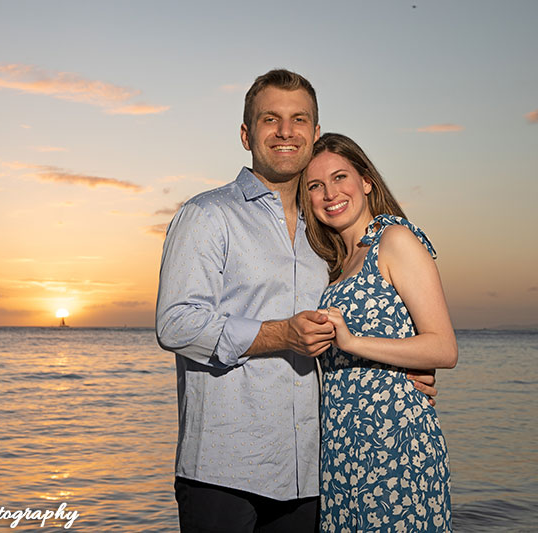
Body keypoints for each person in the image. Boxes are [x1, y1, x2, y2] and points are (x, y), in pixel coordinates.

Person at [156, 70, 438, 532]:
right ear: (247, 134)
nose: (286, 131)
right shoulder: (207, 215)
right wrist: (278, 334)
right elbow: (176, 324)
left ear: (315, 134)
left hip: (312, 475)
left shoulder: (326, 236)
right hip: (224, 471)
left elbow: (363, 322)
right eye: (271, 119)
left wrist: (403, 372)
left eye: (298, 119)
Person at [301, 133, 457, 532]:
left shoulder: (395, 240)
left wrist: (352, 342)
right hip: (342, 449)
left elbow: (443, 347)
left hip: (397, 446)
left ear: (366, 180)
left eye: (340, 177)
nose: (329, 193)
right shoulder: (336, 265)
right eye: (315, 186)